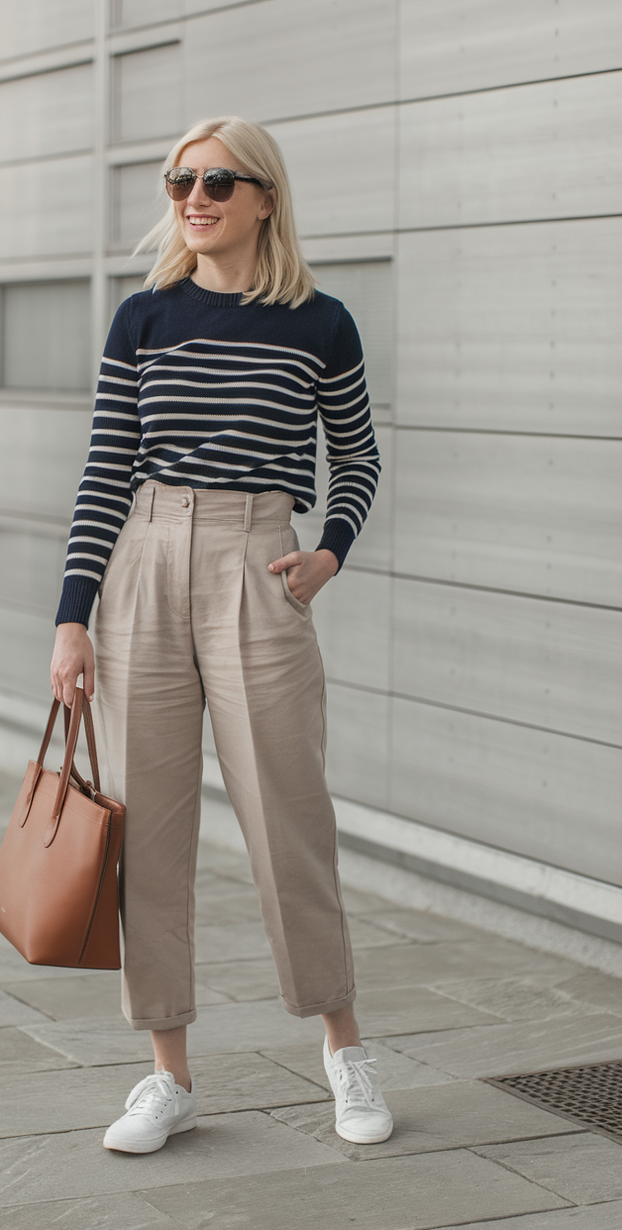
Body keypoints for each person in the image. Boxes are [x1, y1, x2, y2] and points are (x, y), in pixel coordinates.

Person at [50, 115, 392, 1154]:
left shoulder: (319, 322)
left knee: (288, 818)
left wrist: (326, 553)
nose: (191, 196)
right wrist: (72, 618)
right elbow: (106, 468)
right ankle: (167, 1075)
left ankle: (342, 1051)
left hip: (258, 561)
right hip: (144, 563)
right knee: (146, 837)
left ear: (262, 198)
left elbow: (358, 457)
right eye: (177, 180)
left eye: (214, 180)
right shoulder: (143, 317)